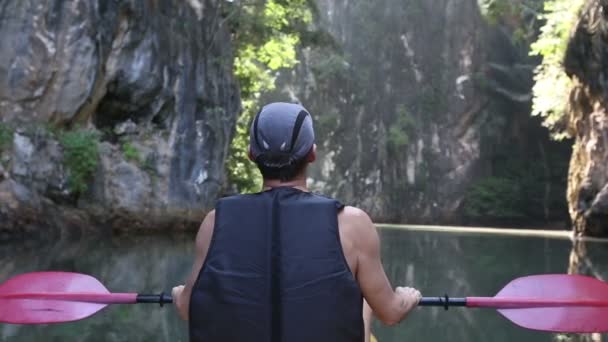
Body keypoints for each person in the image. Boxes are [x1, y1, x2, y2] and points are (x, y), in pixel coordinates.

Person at [172, 102, 421, 342]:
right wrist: (407, 298)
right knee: (364, 301)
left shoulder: (216, 222)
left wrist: (177, 293)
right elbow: (390, 313)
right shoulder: (351, 224)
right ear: (312, 153)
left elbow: (186, 308)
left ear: (251, 154)